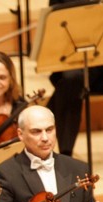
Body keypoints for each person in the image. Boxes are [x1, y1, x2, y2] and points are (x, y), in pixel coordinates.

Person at [46, 0, 103, 156]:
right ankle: (66, 152)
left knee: (68, 83)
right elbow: (55, 21)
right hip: (73, 60)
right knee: (72, 80)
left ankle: (45, 123)